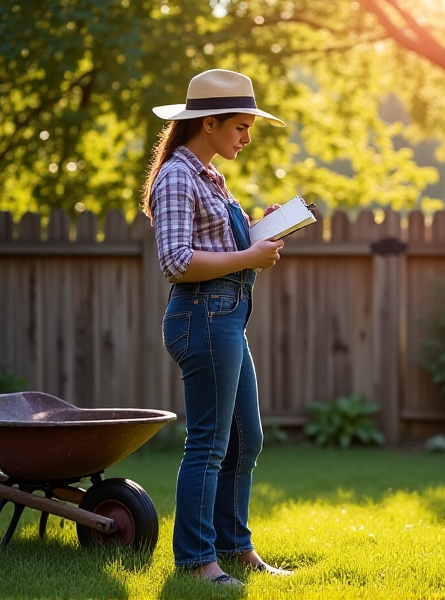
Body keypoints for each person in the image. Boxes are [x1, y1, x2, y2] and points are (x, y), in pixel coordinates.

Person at [142, 69, 293, 587]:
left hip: (226, 317)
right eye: (241, 127)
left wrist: (261, 230)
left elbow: (225, 248)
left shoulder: (211, 175)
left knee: (246, 439)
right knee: (208, 443)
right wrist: (250, 254)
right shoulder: (177, 176)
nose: (247, 138)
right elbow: (176, 260)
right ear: (209, 124)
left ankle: (234, 546)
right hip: (200, 317)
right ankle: (196, 560)